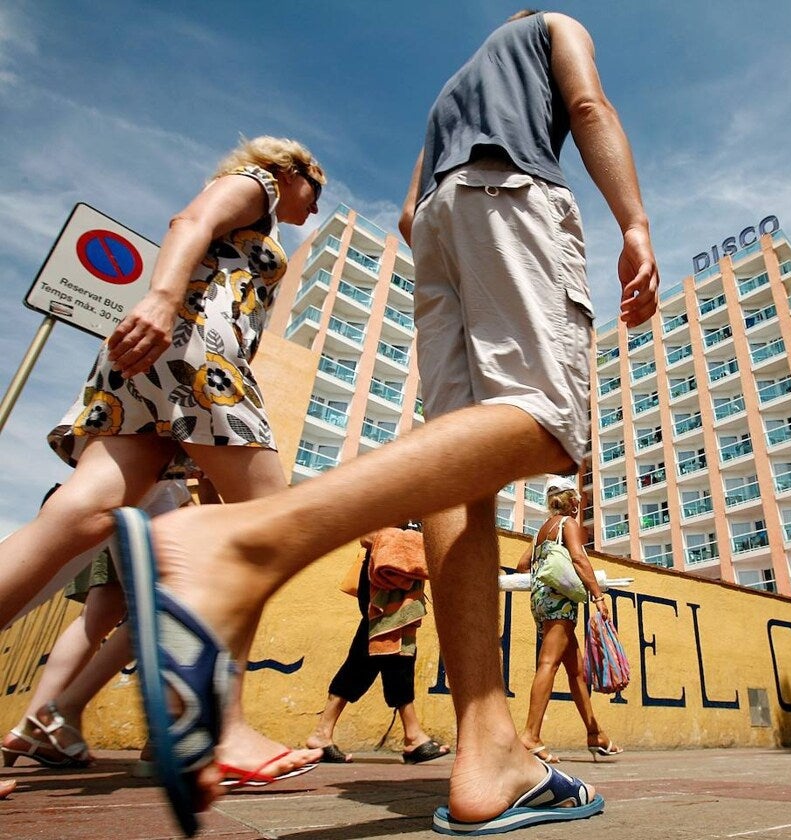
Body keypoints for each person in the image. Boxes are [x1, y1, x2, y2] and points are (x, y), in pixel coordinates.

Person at [107, 9, 657, 836]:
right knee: (546, 421)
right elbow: (588, 109)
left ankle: (488, 755)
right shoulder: (550, 25)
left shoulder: (446, 97)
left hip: (437, 229)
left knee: (461, 479)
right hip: (510, 193)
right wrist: (635, 222)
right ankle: (246, 541)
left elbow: (407, 213)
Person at [0, 136, 327, 788]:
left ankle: (199, 715)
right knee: (271, 530)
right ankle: (219, 725)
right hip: (198, 353)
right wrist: (160, 297)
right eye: (313, 195)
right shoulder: (258, 184)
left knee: (80, 512)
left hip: (162, 363)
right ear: (296, 174)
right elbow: (191, 221)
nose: (311, 210)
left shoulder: (261, 206)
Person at [3, 480, 189, 769]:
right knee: (168, 600)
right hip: (147, 485)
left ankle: (37, 723)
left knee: (103, 612)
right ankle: (59, 714)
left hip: (120, 488)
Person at [306, 529, 450, 765]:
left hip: (399, 582)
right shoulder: (397, 496)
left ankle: (323, 732)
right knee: (395, 652)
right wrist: (415, 544)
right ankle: (413, 736)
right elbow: (367, 535)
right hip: (384, 583)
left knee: (368, 657)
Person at [514, 476, 621, 763]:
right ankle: (530, 735)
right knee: (548, 664)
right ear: (572, 500)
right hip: (560, 603)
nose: (579, 504)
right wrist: (597, 596)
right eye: (578, 499)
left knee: (576, 672)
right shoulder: (567, 525)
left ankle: (595, 733)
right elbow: (579, 559)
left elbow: (522, 565)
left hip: (540, 600)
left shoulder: (541, 532)